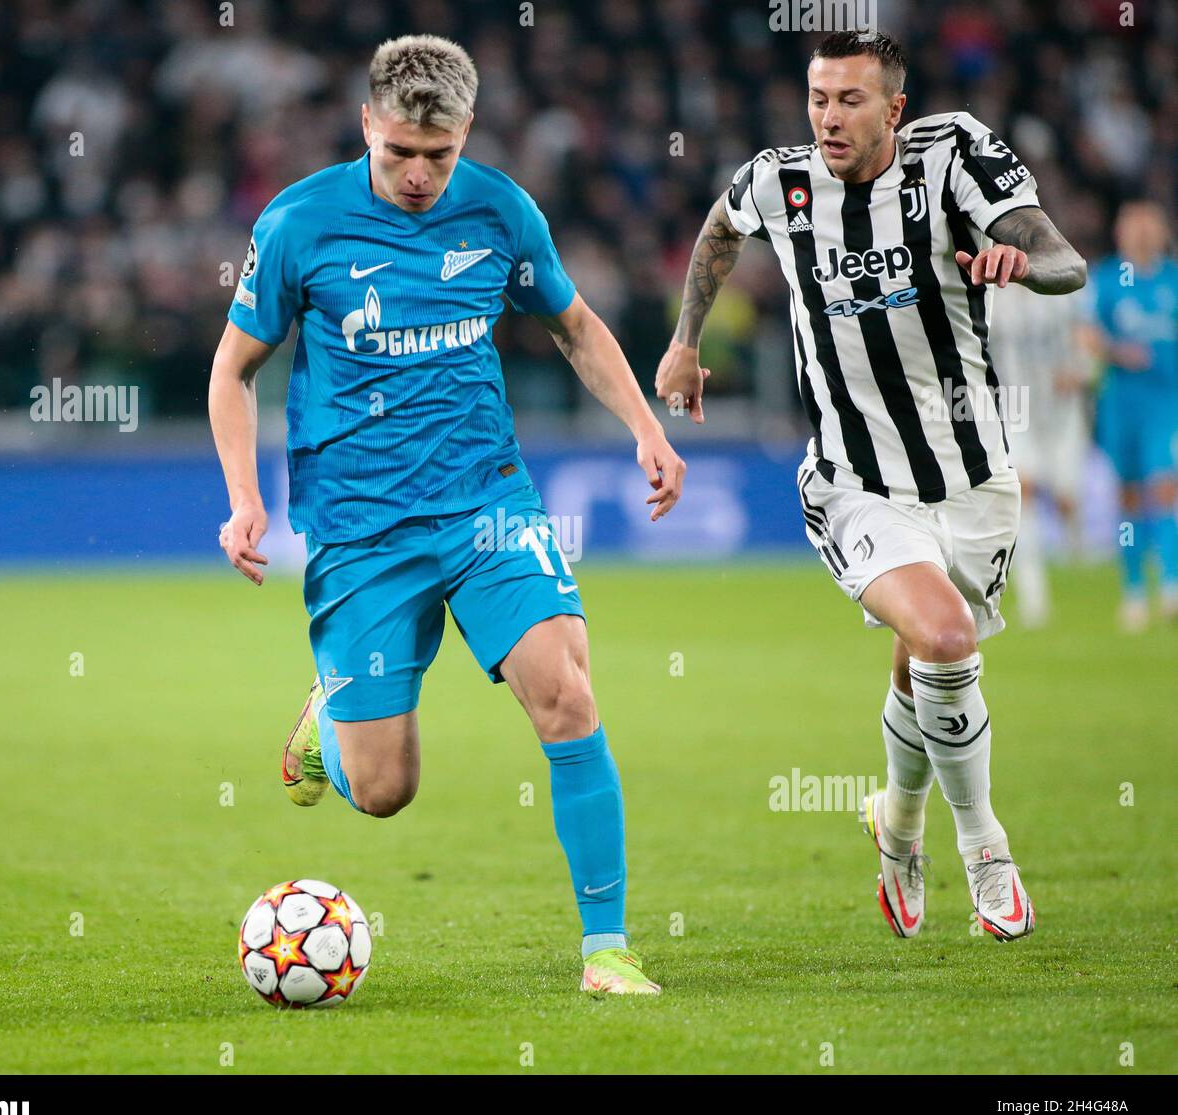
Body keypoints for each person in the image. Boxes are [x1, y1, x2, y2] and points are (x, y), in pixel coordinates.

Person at [209, 36, 685, 995]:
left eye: (440, 155)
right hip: (360, 527)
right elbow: (234, 369)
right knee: (384, 791)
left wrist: (644, 427)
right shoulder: (299, 224)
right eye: (400, 155)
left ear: (465, 132)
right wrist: (246, 500)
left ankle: (607, 950)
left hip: (486, 503)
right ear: (366, 127)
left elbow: (575, 326)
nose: (422, 176)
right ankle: (327, 726)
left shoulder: (502, 209)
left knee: (567, 691)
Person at [656, 30, 1085, 942]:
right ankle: (986, 850)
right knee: (943, 633)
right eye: (817, 98)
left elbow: (1062, 259)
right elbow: (720, 229)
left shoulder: (954, 153)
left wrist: (1018, 263)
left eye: (850, 100)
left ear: (894, 108)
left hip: (972, 477)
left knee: (925, 658)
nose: (828, 117)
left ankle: (896, 825)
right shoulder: (782, 179)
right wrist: (687, 342)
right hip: (855, 481)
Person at [1083, 201, 1178, 631]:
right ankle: (1135, 590)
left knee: (1163, 490)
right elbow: (1085, 332)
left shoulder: (1172, 280)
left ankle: (1172, 584)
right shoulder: (1109, 279)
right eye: (1132, 226)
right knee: (1128, 497)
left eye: (1147, 226)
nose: (1139, 234)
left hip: (1166, 403)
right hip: (1121, 404)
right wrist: (1117, 351)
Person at [987, 280, 1091, 627]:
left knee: (1065, 498)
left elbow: (1086, 336)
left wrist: (1080, 370)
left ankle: (1080, 554)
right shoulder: (992, 297)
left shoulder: (1064, 290)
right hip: (1015, 407)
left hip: (1061, 408)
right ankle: (1034, 596)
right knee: (1022, 492)